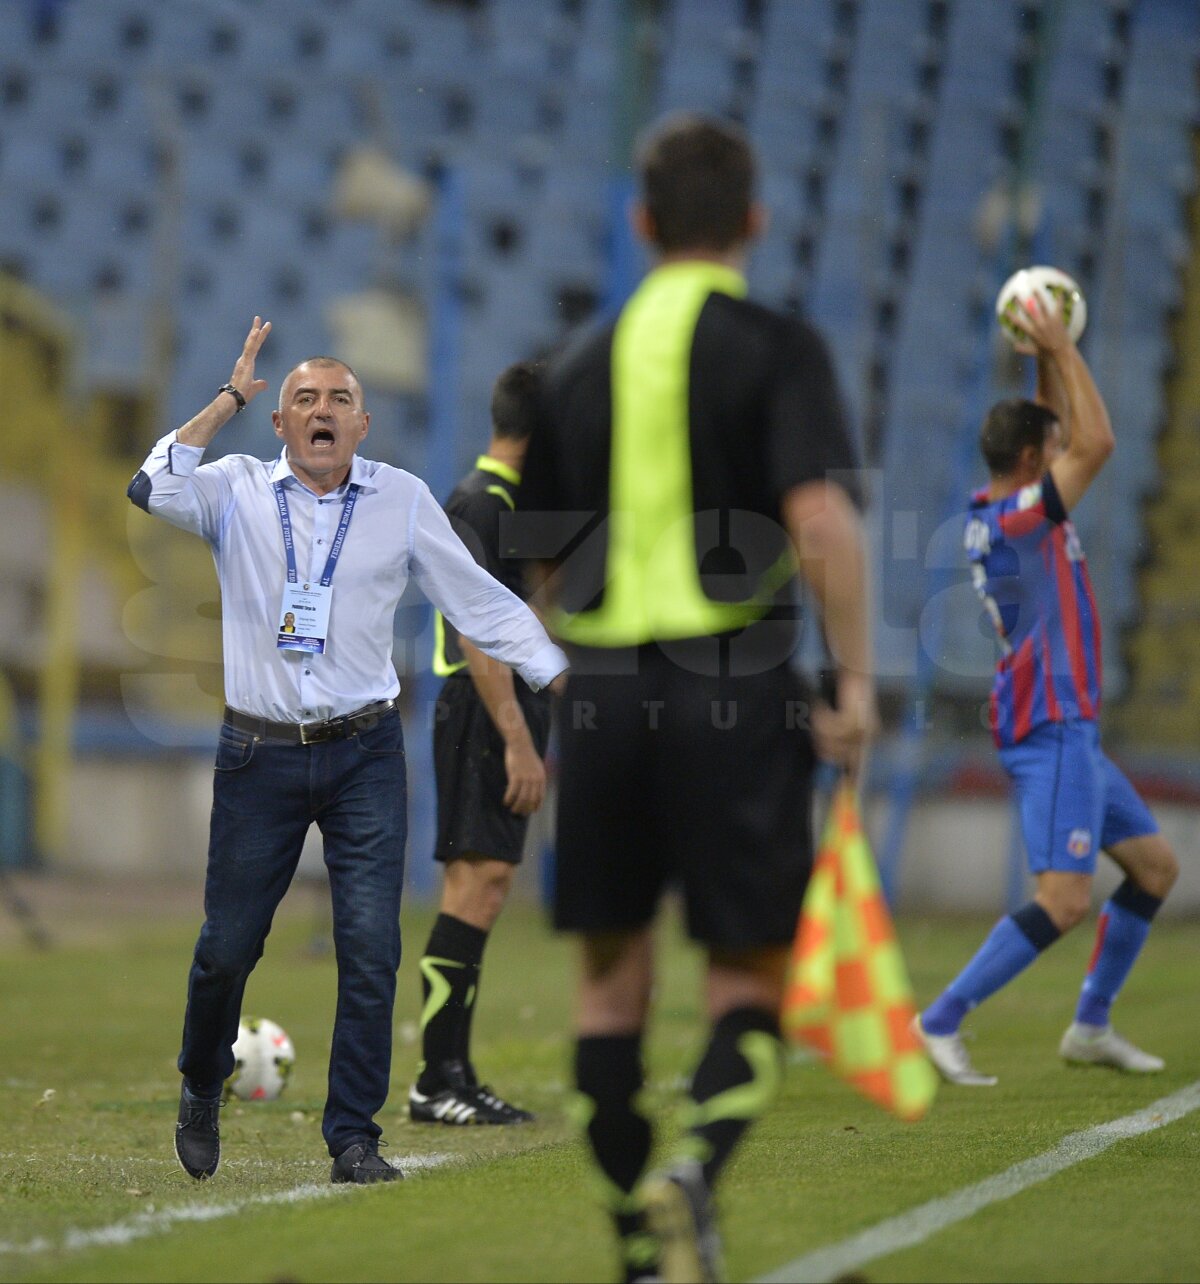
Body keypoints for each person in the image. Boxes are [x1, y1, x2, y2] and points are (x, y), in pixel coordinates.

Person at [514, 115, 876, 1283]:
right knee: (747, 972)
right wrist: (855, 682)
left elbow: (538, 575)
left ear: (642, 222)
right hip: (738, 678)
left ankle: (630, 1239)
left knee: (610, 984)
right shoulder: (776, 346)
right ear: (755, 222)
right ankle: (695, 1176)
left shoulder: (570, 364)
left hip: (607, 691)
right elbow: (820, 521)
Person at [127, 319, 567, 1184]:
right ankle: (200, 1081)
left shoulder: (401, 499)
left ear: (363, 426)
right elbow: (149, 485)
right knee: (227, 947)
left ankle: (353, 1137)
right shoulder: (235, 488)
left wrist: (556, 674)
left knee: (371, 947)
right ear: (281, 423)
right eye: (303, 400)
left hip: (366, 752)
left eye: (340, 400)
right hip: (258, 755)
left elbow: (479, 602)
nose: (322, 410)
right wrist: (226, 400)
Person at [914, 290, 1179, 1086]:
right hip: (1052, 724)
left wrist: (1039, 358)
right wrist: (1063, 345)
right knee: (1063, 898)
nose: (1062, 448)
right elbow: (1096, 440)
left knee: (1155, 868)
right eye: (1048, 446)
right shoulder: (1025, 519)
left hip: (1073, 731)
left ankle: (1091, 1025)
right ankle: (940, 1018)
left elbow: (1056, 432)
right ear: (1032, 463)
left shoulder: (992, 507)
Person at [409, 361, 552, 1126]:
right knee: (473, 882)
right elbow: (473, 632)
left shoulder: (508, 504)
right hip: (481, 711)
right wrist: (518, 738)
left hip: (502, 708)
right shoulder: (479, 502)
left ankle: (453, 1072)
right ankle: (437, 1079)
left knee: (488, 883)